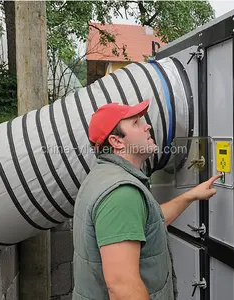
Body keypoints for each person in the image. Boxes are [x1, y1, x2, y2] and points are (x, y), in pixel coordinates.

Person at [72, 99, 221, 300]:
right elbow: (123, 287)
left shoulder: (103, 175)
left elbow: (149, 223)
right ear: (117, 141)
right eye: (136, 123)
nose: (147, 125)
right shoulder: (121, 193)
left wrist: (191, 195)